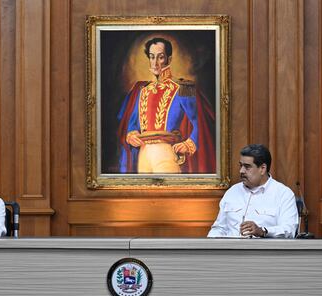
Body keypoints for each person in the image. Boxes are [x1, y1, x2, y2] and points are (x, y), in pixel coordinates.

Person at [117, 37, 215, 173]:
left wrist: (188, 143)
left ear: (169, 59)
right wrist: (131, 135)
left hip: (166, 153)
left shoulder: (182, 88)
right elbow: (132, 124)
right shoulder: (142, 90)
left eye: (160, 57)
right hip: (143, 154)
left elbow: (199, 123)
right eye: (152, 57)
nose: (155, 63)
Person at [207, 144, 298, 238]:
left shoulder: (283, 194)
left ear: (262, 169)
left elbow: (289, 230)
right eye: (241, 166)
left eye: (247, 167)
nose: (241, 171)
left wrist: (263, 231)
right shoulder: (232, 192)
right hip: (231, 250)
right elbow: (219, 228)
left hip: (264, 251)